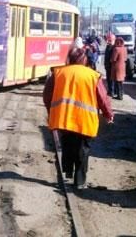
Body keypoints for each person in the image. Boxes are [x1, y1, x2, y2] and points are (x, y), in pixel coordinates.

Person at [43, 47, 114, 189]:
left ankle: (68, 171)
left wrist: (51, 111)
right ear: (85, 60)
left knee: (68, 144)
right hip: (85, 120)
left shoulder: (58, 73)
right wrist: (108, 114)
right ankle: (80, 181)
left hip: (64, 117)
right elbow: (103, 98)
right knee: (83, 149)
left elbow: (47, 95)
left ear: (69, 58)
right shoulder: (93, 76)